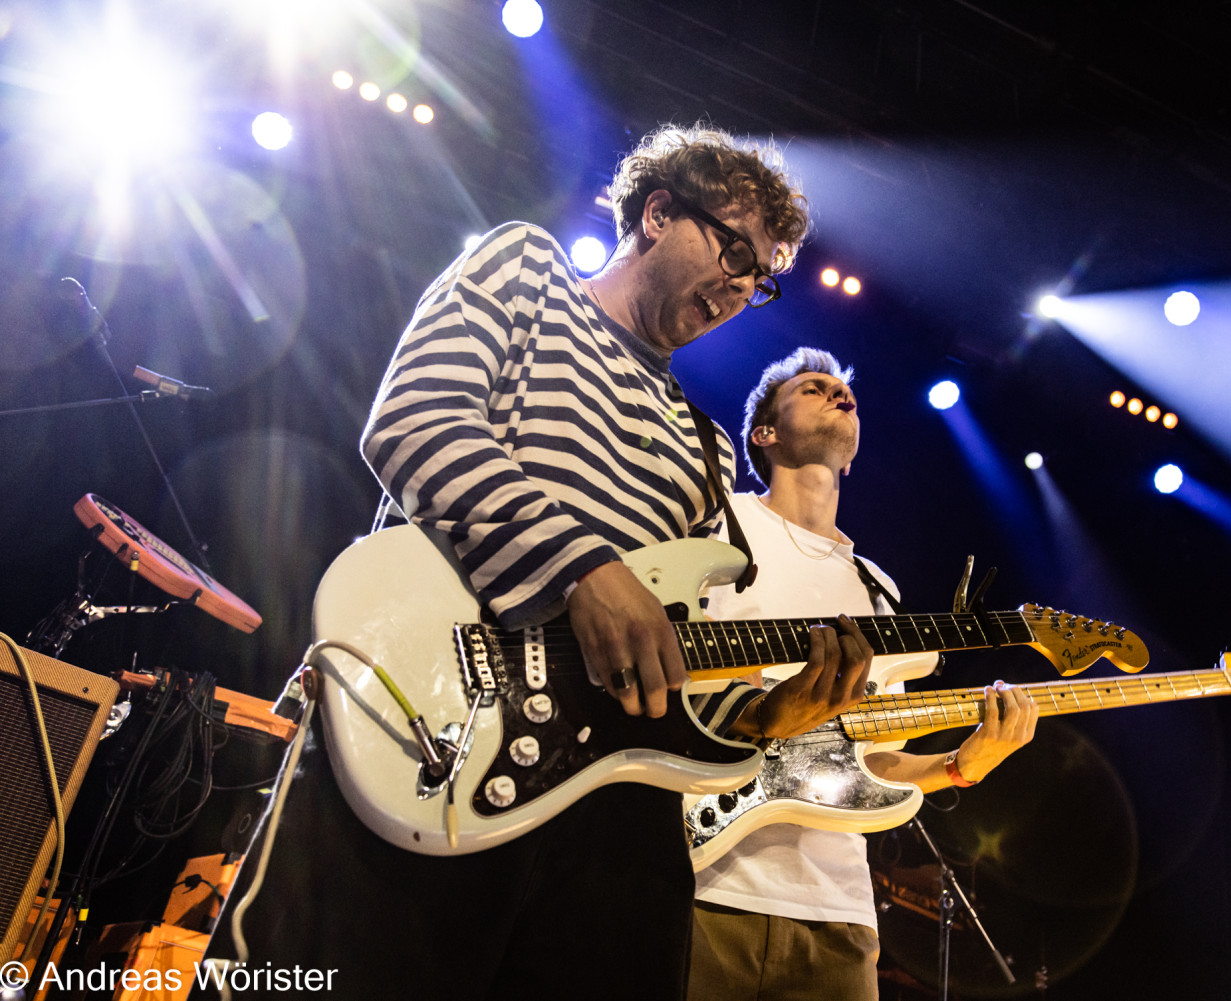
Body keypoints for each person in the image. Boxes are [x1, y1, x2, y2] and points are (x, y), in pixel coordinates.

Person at [208, 126, 873, 1001]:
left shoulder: (706, 448)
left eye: (761, 277)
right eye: (735, 250)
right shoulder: (528, 270)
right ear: (658, 211)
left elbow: (677, 651)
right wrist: (581, 569)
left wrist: (766, 714)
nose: (742, 287)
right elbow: (417, 417)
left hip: (607, 819)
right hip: (426, 735)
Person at [687, 348, 1041, 1001]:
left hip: (838, 914)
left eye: (846, 390)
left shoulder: (877, 588)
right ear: (764, 433)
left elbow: (875, 760)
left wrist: (966, 762)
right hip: (703, 886)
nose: (840, 394)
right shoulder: (718, 525)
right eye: (815, 387)